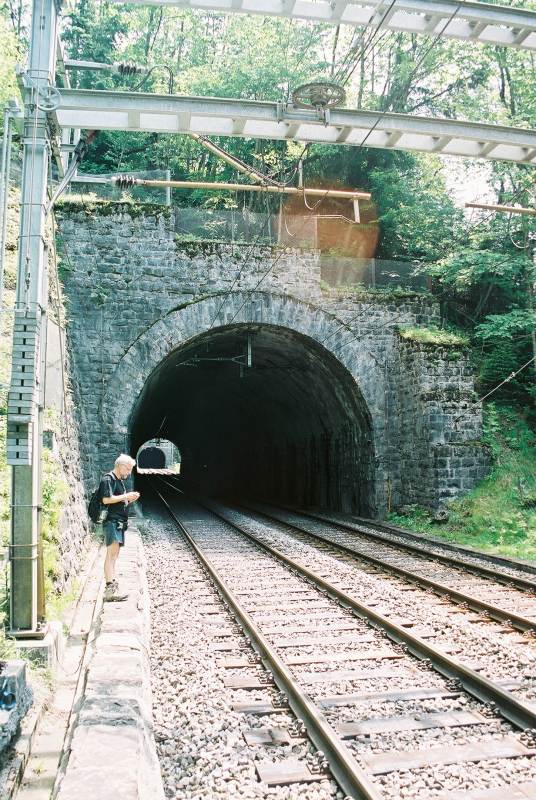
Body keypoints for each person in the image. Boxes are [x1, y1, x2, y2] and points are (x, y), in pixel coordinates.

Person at [101, 454, 140, 602]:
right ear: (121, 466)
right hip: (111, 522)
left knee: (114, 556)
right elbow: (106, 499)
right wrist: (126, 495)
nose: (129, 473)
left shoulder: (117, 481)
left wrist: (128, 499)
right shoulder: (108, 479)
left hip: (118, 522)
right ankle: (110, 589)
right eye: (128, 469)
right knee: (111, 555)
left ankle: (113, 584)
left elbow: (116, 502)